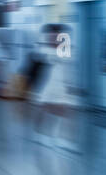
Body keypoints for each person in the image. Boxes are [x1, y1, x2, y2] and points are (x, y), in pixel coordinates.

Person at [30, 23, 79, 152]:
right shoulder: (43, 50)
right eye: (52, 36)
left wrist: (70, 84)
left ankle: (63, 140)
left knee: (65, 110)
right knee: (45, 109)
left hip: (61, 85)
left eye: (58, 35)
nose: (54, 38)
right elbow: (39, 58)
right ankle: (39, 134)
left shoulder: (64, 49)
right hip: (46, 85)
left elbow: (68, 62)